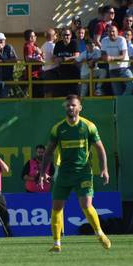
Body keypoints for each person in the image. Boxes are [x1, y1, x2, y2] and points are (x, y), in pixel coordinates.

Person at [39, 94, 111, 253]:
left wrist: (104, 169)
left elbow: (100, 149)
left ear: (79, 108)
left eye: (73, 105)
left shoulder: (88, 126)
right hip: (64, 173)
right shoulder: (58, 128)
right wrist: (43, 172)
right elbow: (49, 151)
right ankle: (56, 243)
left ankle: (99, 233)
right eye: (67, 105)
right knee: (56, 207)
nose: (70, 108)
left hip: (83, 172)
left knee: (85, 204)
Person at [101, 25, 133, 95]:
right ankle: (122, 101)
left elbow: (122, 56)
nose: (111, 33)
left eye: (113, 31)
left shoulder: (121, 39)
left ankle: (122, 100)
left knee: (131, 84)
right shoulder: (104, 40)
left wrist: (111, 58)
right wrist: (105, 58)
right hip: (112, 69)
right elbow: (103, 54)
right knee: (117, 92)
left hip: (124, 67)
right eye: (109, 31)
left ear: (117, 32)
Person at [53, 28, 80, 96]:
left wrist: (65, 59)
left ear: (70, 35)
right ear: (61, 36)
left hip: (73, 73)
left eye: (67, 35)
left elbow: (77, 56)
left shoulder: (74, 43)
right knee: (62, 96)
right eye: (63, 35)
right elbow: (54, 57)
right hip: (61, 74)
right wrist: (57, 59)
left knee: (74, 95)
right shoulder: (58, 44)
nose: (66, 37)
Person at [23, 29, 45, 98]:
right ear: (30, 38)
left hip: (39, 74)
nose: (36, 37)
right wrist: (40, 61)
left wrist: (41, 52)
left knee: (40, 96)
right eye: (34, 36)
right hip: (32, 75)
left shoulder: (35, 45)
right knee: (35, 96)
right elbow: (28, 59)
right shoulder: (28, 46)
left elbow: (43, 55)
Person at [41, 28, 58, 97]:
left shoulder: (43, 46)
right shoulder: (53, 46)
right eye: (55, 34)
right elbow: (54, 58)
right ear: (52, 36)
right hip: (52, 71)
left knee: (47, 91)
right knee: (53, 92)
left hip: (45, 70)